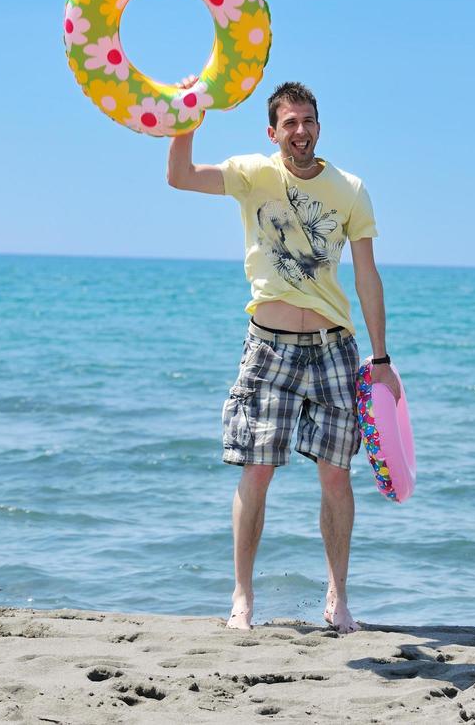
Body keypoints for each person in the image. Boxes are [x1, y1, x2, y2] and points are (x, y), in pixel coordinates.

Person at [166, 79, 399, 634]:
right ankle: (242, 598)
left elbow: (367, 276)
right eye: (289, 123)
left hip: (334, 350)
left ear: (320, 127)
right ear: (273, 132)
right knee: (257, 470)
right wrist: (186, 121)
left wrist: (382, 357)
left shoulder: (350, 189)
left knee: (337, 477)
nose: (301, 131)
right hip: (268, 348)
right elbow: (179, 177)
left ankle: (338, 599)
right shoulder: (253, 174)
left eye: (308, 121)